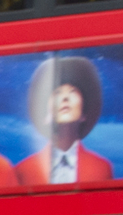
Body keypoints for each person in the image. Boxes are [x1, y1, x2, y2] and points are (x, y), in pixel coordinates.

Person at [15, 57, 115, 186]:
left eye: (73, 91)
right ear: (46, 114)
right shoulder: (24, 170)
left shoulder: (101, 168)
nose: (65, 98)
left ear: (84, 114)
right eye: (57, 92)